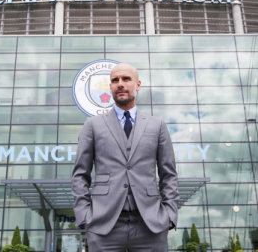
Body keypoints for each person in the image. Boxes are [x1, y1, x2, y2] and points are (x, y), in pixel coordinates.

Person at [71, 63, 179, 251]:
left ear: (137, 85)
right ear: (110, 87)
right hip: (103, 223)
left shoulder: (157, 126)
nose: (120, 84)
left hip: (151, 223)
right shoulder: (93, 125)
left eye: (126, 79)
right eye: (115, 80)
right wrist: (83, 214)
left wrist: (169, 214)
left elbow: (168, 174)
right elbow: (80, 174)